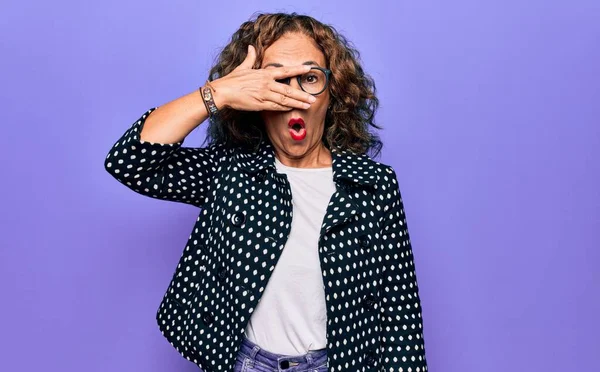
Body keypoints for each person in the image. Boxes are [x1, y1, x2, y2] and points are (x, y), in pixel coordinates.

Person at [104, 11, 428, 372]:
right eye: (276, 80)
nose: (294, 96)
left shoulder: (374, 185)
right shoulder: (231, 172)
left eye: (309, 78)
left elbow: (400, 315)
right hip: (245, 363)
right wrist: (218, 93)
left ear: (333, 92)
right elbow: (129, 161)